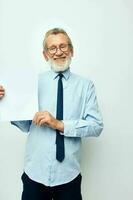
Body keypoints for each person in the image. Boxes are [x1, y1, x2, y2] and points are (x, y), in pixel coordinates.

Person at [0, 28, 103, 200]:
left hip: (69, 175)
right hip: (35, 174)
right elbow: (26, 125)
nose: (58, 52)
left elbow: (96, 126)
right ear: (45, 55)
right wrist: (6, 102)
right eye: (52, 48)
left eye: (63, 46)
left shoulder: (86, 86)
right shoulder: (33, 82)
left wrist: (59, 124)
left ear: (72, 50)